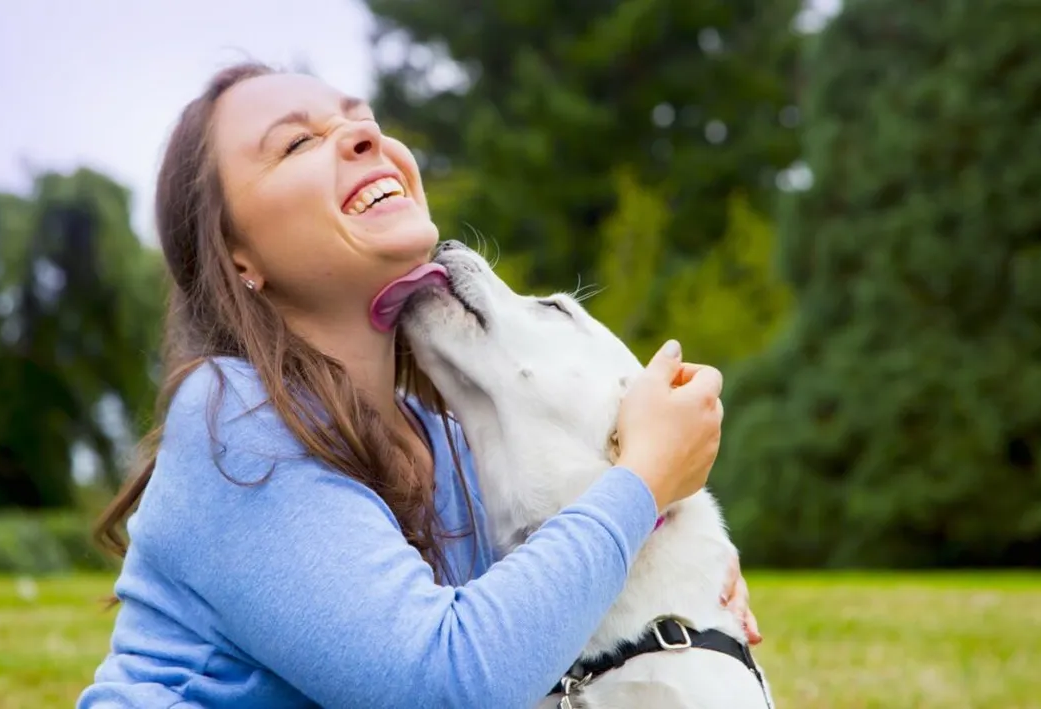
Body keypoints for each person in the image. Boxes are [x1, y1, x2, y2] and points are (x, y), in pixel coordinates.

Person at [77, 61, 761, 709]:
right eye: (296, 144)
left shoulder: (452, 445)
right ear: (237, 256)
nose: (364, 137)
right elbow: (440, 686)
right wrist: (642, 482)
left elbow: (537, 607)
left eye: (363, 120)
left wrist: (679, 576)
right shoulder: (233, 419)